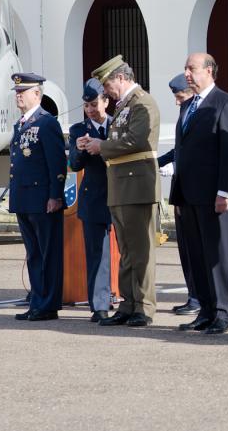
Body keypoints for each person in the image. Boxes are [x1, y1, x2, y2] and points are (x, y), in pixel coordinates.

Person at [83, 55, 161, 328]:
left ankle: (144, 306)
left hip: (138, 187)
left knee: (141, 251)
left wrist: (101, 146)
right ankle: (128, 304)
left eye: (107, 84)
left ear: (121, 78)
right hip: (122, 187)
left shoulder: (142, 103)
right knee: (127, 251)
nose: (105, 91)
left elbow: (136, 139)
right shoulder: (125, 106)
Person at [172, 53, 228, 335]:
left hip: (215, 194)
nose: (187, 74)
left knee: (218, 255)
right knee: (197, 255)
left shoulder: (225, 102)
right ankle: (206, 310)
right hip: (188, 194)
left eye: (192, 69)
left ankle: (224, 312)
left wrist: (225, 190)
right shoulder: (188, 105)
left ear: (210, 71)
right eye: (185, 68)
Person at [9, 73, 67, 322]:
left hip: (43, 200)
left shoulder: (46, 123)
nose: (18, 95)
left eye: (23, 91)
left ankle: (49, 304)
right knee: (34, 254)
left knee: (48, 254)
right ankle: (37, 300)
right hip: (24, 199)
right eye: (16, 91)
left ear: (37, 94)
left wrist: (55, 196)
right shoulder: (21, 124)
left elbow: (57, 164)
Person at [68, 78, 113, 322]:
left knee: (128, 252)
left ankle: (130, 302)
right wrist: (78, 149)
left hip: (120, 194)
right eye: (87, 106)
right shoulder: (78, 130)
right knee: (97, 253)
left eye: (95, 104)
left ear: (106, 101)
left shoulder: (118, 125)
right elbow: (74, 165)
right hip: (94, 197)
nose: (91, 110)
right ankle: (99, 305)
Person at [158, 73, 201, 316]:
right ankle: (193, 294)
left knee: (197, 248)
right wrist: (154, 162)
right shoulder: (185, 112)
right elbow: (179, 148)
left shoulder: (201, 111)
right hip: (182, 192)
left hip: (197, 191)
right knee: (185, 248)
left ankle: (199, 297)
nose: (177, 101)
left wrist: (178, 165)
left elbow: (199, 150)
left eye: (180, 96)